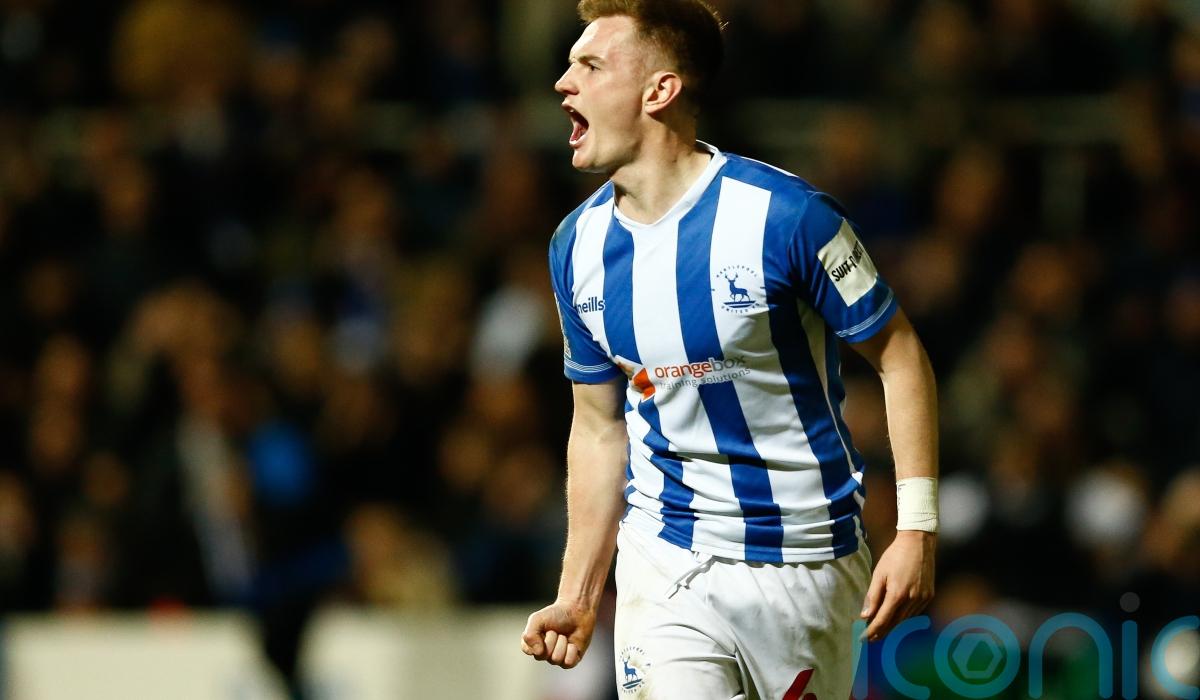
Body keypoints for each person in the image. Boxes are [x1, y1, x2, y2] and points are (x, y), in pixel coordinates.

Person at [521, 1, 939, 697]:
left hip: (805, 564)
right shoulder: (576, 247)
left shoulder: (789, 217)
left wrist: (917, 528)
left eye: (590, 65)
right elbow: (597, 427)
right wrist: (579, 592)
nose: (564, 83)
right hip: (666, 560)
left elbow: (899, 356)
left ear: (659, 90)